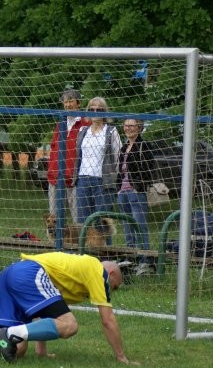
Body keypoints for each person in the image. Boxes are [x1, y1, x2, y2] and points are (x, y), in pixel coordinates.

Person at [0, 252, 139, 365]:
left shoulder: (75, 279)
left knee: (18, 349)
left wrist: (41, 351)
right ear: (111, 273)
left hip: (9, 275)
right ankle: (10, 333)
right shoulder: (97, 271)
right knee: (70, 325)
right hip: (28, 273)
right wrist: (121, 357)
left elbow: (46, 312)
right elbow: (107, 319)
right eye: (116, 286)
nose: (114, 290)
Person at [73, 97, 121, 241]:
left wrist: (113, 179)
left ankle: (106, 257)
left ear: (104, 112)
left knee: (103, 222)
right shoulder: (82, 130)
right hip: (83, 180)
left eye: (99, 109)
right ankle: (84, 257)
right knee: (83, 222)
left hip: (103, 182)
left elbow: (118, 156)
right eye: (92, 109)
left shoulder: (111, 131)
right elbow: (78, 155)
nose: (95, 112)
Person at [116, 119, 157, 275]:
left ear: (139, 128)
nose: (128, 128)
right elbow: (120, 171)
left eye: (132, 125)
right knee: (127, 227)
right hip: (122, 193)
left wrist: (137, 187)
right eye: (126, 125)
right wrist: (118, 189)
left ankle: (145, 259)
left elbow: (149, 170)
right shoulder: (124, 147)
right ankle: (130, 258)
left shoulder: (144, 146)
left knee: (140, 226)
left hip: (136, 193)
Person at [47, 89, 91, 223]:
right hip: (55, 177)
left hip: (75, 179)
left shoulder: (86, 124)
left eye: (71, 101)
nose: (67, 105)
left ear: (79, 103)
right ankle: (56, 243)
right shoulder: (60, 123)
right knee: (54, 218)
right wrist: (51, 169)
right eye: (65, 102)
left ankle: (78, 243)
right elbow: (54, 147)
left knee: (78, 218)